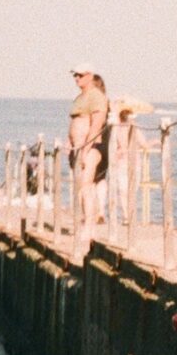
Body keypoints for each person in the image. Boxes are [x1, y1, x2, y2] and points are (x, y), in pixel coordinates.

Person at [68, 66, 108, 235]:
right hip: (77, 147)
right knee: (80, 187)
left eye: (80, 75)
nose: (77, 78)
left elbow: (96, 125)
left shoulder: (96, 96)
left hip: (91, 147)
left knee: (86, 186)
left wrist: (86, 149)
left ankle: (89, 227)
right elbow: (75, 122)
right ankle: (85, 221)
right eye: (75, 75)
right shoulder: (79, 98)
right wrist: (69, 144)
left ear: (90, 76)